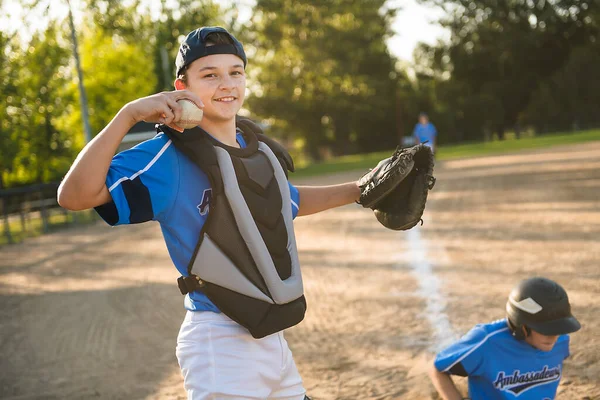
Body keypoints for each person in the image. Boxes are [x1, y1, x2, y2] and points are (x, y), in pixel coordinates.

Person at [57, 26, 363, 400]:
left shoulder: (253, 149)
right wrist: (129, 114)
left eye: (235, 72)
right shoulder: (166, 157)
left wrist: (360, 191)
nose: (227, 84)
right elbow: (74, 196)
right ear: (181, 86)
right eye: (210, 75)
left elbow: (290, 201)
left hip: (272, 340)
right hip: (220, 345)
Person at [428, 276, 581, 400]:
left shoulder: (561, 341)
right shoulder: (487, 342)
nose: (554, 337)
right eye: (545, 330)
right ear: (521, 325)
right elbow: (437, 368)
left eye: (559, 329)